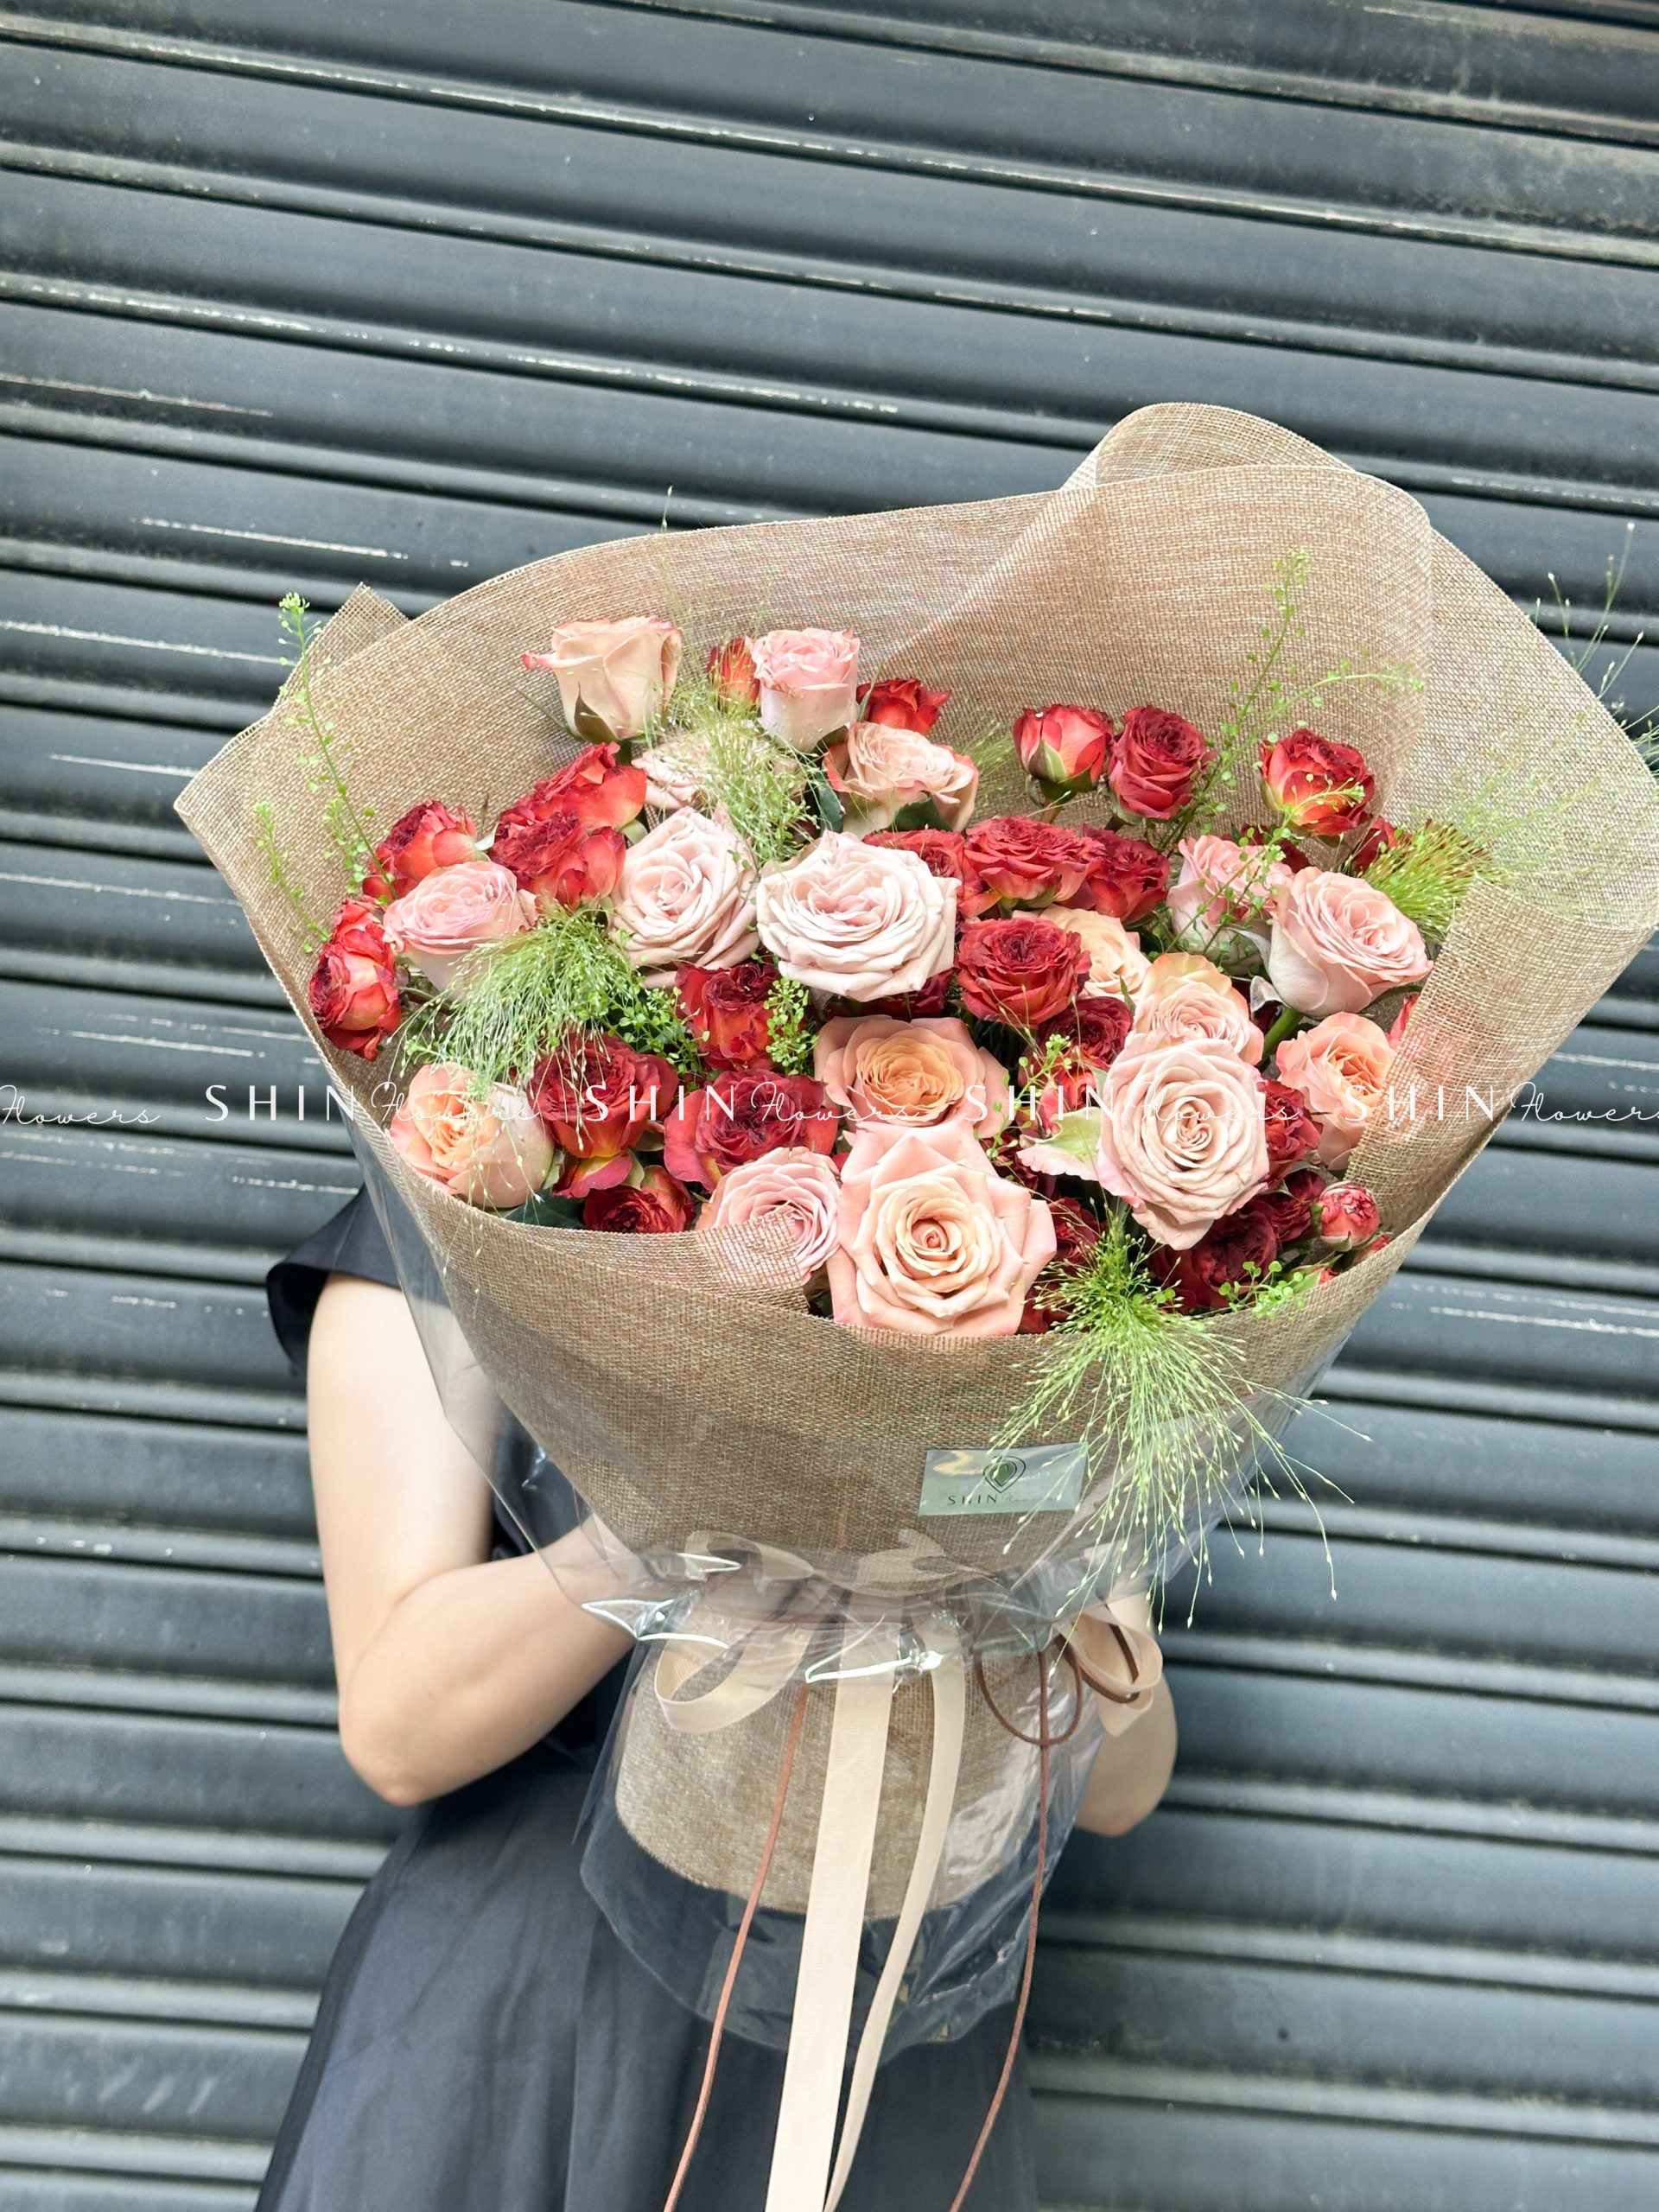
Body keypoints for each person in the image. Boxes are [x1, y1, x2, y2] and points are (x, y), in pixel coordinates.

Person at [257, 1189, 1178, 2211]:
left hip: (890, 2008)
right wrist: (679, 1509)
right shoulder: (450, 1209)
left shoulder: (1045, 1261)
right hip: (546, 2012)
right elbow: (396, 1727)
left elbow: (1120, 1789)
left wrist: (1048, 1561)